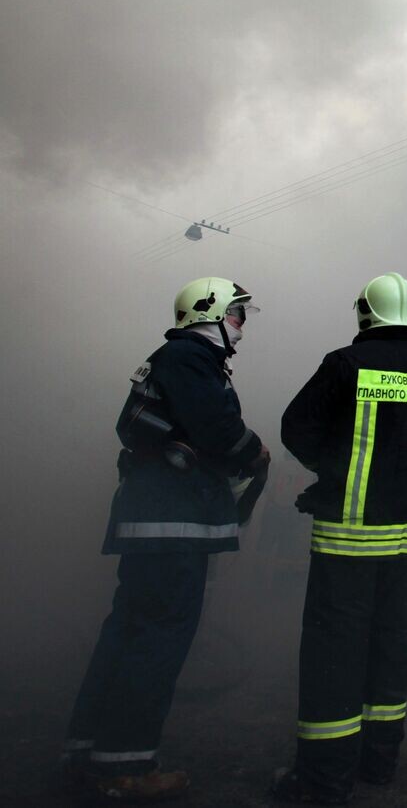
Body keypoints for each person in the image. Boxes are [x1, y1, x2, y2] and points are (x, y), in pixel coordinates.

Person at [63, 277, 269, 802]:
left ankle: (89, 749)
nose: (243, 328)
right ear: (211, 312)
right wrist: (255, 453)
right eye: (239, 316)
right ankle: (126, 764)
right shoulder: (191, 359)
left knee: (127, 633)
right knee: (157, 641)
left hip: (152, 525)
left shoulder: (173, 360)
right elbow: (220, 430)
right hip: (174, 527)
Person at [273, 272, 407, 805]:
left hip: (347, 540)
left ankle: (324, 780)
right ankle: (379, 763)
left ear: (364, 312)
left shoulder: (346, 365)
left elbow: (295, 428)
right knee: (391, 647)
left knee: (335, 656)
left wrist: (334, 476)